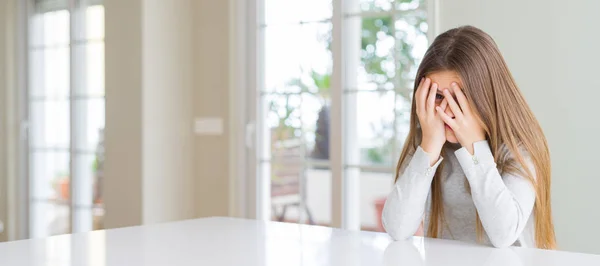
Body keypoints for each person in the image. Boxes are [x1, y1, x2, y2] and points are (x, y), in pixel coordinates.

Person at [381, 25, 556, 249]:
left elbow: (504, 235)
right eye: (437, 96)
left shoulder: (518, 145)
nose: (447, 110)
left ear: (486, 94)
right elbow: (397, 228)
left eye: (459, 97)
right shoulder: (427, 141)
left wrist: (475, 148)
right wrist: (429, 149)